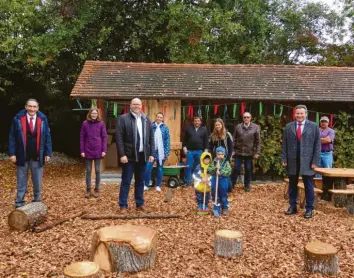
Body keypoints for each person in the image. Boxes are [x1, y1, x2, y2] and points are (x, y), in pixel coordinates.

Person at [8, 99, 52, 208]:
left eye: (34, 107)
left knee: (37, 180)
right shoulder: (17, 119)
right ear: (26, 107)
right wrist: (12, 153)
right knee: (21, 180)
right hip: (21, 155)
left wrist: (48, 153)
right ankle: (19, 202)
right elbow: (12, 137)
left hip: (38, 155)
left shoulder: (43, 119)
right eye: (30, 106)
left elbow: (47, 137)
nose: (32, 109)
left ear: (38, 108)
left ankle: (37, 201)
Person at [281, 104, 321, 219]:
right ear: (294, 114)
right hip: (292, 160)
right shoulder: (289, 126)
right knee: (292, 185)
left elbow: (317, 146)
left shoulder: (313, 126)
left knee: (308, 185)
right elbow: (284, 144)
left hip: (307, 161)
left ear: (306, 114)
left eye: (301, 113)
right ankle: (292, 206)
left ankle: (309, 209)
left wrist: (315, 161)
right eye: (297, 113)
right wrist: (284, 158)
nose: (299, 115)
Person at [116, 98, 154, 212]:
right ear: (130, 105)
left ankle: (139, 203)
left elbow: (151, 138)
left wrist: (151, 153)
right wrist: (122, 154)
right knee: (126, 181)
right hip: (129, 156)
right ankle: (123, 205)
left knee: (140, 181)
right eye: (134, 104)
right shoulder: (123, 118)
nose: (136, 106)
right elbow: (119, 138)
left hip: (142, 156)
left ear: (141, 106)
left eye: (138, 104)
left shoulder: (146, 119)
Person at [80, 108, 107, 198]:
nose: (94, 115)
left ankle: (96, 189)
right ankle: (88, 189)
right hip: (87, 150)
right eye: (92, 113)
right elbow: (82, 137)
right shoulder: (85, 123)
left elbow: (104, 137)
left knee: (98, 170)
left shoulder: (101, 123)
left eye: (95, 113)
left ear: (97, 114)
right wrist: (82, 150)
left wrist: (104, 150)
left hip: (98, 150)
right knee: (88, 170)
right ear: (90, 114)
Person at [231, 112, 261, 192]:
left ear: (250, 118)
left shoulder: (255, 127)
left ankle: (247, 185)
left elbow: (258, 141)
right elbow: (234, 139)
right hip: (239, 152)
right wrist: (233, 150)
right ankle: (232, 184)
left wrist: (257, 152)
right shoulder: (238, 127)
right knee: (236, 169)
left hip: (249, 153)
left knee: (248, 169)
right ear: (243, 118)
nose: (246, 119)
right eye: (244, 117)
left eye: (248, 117)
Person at [144, 112, 171, 192]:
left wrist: (166, 152)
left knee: (160, 169)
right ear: (155, 117)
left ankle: (158, 185)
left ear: (162, 119)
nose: (159, 118)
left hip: (161, 152)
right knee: (148, 168)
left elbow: (167, 140)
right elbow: (147, 139)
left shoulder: (165, 128)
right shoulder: (151, 126)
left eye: (161, 117)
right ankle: (146, 184)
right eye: (158, 117)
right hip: (152, 151)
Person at [183, 116, 209, 186]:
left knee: (198, 167)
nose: (197, 122)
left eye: (198, 121)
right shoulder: (188, 129)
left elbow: (206, 142)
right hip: (190, 151)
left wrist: (205, 151)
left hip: (199, 151)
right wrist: (185, 149)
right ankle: (188, 182)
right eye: (195, 121)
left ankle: (197, 181)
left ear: (200, 122)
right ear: (193, 122)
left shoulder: (204, 130)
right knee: (189, 166)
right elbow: (184, 140)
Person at [207, 147, 232, 216]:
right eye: (218, 154)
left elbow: (229, 171)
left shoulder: (226, 162)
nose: (220, 155)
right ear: (216, 154)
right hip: (215, 180)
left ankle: (225, 207)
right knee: (215, 194)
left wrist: (221, 172)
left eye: (222, 154)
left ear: (224, 154)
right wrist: (215, 169)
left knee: (223, 194)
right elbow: (209, 170)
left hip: (223, 180)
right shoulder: (214, 162)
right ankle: (216, 207)